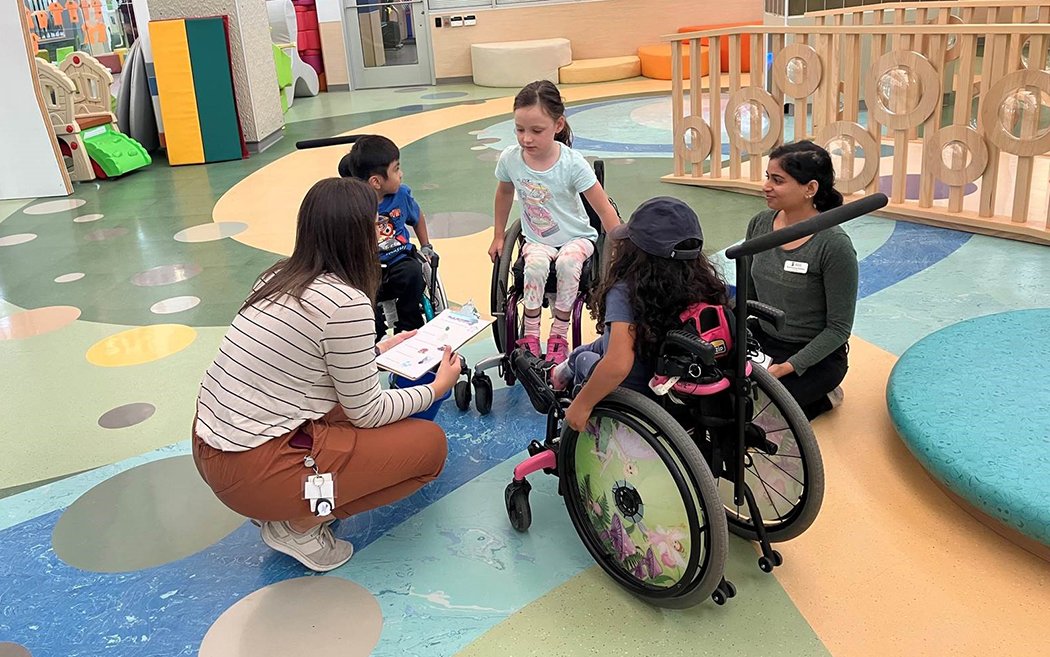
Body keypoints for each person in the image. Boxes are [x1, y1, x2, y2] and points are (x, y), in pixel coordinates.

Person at [191, 177, 462, 572]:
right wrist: (437, 389)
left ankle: (288, 503)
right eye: (373, 223)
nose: (380, 229)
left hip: (213, 445)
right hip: (255, 467)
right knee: (430, 449)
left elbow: (306, 362)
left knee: (353, 421)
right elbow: (366, 412)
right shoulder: (346, 302)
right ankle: (301, 522)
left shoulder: (277, 276)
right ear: (355, 235)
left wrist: (377, 349)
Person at [550, 197, 729, 431]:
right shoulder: (704, 284)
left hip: (638, 394)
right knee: (589, 349)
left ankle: (561, 379)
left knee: (585, 359)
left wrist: (581, 406)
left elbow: (617, 365)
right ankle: (563, 368)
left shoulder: (627, 291)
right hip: (676, 379)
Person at [489, 80, 620, 365]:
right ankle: (532, 333)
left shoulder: (572, 164)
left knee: (568, 263)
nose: (526, 139)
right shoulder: (511, 159)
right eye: (519, 129)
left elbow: (604, 208)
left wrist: (620, 245)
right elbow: (503, 193)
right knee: (534, 265)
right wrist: (499, 235)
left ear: (558, 125)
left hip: (576, 238)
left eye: (536, 131)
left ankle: (559, 332)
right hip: (537, 239)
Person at [746, 140, 858, 420]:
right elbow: (749, 295)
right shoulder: (760, 224)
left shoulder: (834, 245)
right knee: (723, 395)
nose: (766, 186)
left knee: (766, 413)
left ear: (810, 189)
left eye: (778, 180)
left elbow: (838, 329)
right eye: (767, 177)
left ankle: (825, 396)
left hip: (814, 355)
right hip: (765, 340)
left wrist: (788, 367)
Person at [339, 135, 435, 339]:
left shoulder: (401, 195)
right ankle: (374, 331)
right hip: (368, 266)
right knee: (359, 289)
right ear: (376, 181)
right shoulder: (354, 204)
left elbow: (417, 217)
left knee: (413, 272)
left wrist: (426, 245)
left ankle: (408, 324)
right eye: (396, 169)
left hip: (399, 258)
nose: (401, 174)